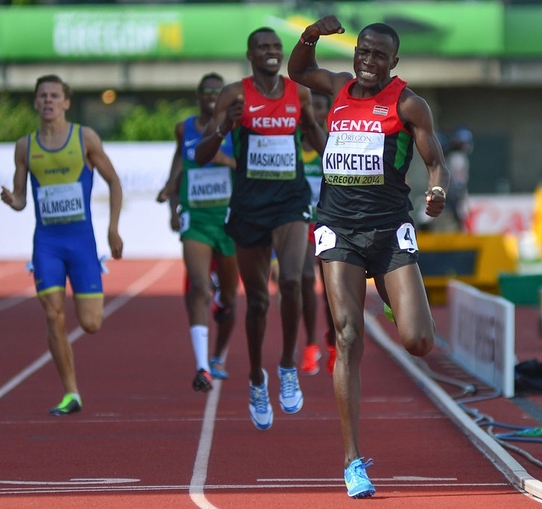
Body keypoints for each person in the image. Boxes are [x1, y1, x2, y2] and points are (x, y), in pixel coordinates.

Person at [288, 17, 450, 498]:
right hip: (337, 229)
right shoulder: (338, 86)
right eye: (363, 51)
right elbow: (299, 70)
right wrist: (311, 34)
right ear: (355, 53)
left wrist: (437, 190)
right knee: (348, 335)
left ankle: (389, 292)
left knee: (419, 341)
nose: (368, 60)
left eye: (379, 54)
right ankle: (352, 460)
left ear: (393, 62)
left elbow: (435, 161)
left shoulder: (408, 104)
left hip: (388, 231)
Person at [194, 27, 327, 430]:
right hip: (250, 204)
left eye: (275, 47)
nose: (271, 52)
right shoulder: (234, 95)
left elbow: (313, 133)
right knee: (256, 302)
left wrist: (338, 160)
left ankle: (287, 365)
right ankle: (256, 377)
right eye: (263, 48)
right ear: (250, 55)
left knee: (291, 282)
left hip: (290, 200)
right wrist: (224, 128)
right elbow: (202, 155)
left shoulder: (298, 93)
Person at [0, 74, 123, 416]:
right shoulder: (25, 146)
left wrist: (113, 229)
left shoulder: (85, 137)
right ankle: (71, 393)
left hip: (82, 242)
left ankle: (90, 284)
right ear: (36, 103)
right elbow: (23, 198)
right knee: (53, 315)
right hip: (47, 244)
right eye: (43, 96)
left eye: (55, 95)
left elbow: (113, 181)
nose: (49, 101)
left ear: (66, 102)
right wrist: (14, 200)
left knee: (90, 324)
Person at [157, 72, 239, 393]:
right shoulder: (185, 129)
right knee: (199, 289)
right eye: (206, 91)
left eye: (218, 92)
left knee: (230, 298)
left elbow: (247, 167)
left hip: (231, 220)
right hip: (197, 220)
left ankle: (218, 356)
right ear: (197, 96)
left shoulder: (236, 127)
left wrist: (224, 160)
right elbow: (178, 166)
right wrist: (172, 203)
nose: (211, 96)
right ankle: (203, 367)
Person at [299, 90, 337, 376]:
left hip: (329, 224)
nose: (315, 112)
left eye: (321, 107)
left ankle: (334, 344)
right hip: (300, 224)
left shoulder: (335, 146)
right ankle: (311, 345)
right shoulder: (293, 147)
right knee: (303, 282)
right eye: (311, 107)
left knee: (330, 292)